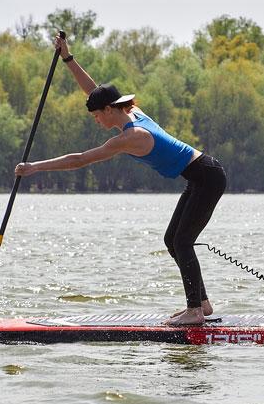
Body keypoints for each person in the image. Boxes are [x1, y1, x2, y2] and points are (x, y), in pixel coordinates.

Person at [15, 34, 227, 325]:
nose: (96, 120)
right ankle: (202, 304)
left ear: (109, 110)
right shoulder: (130, 112)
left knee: (182, 241)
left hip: (207, 177)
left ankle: (195, 311)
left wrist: (35, 168)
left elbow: (80, 160)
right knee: (173, 240)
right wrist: (67, 58)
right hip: (200, 176)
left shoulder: (130, 137)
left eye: (97, 116)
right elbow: (94, 91)